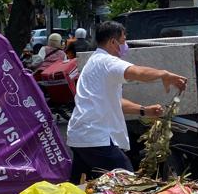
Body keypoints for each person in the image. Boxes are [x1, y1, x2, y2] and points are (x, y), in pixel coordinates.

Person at [66, 21, 188, 183]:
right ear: (112, 42)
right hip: (96, 138)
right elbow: (138, 72)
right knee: (127, 184)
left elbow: (115, 102)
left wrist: (144, 110)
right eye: (123, 41)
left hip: (81, 137)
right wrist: (164, 74)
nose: (125, 45)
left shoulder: (94, 62)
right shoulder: (107, 62)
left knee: (81, 189)